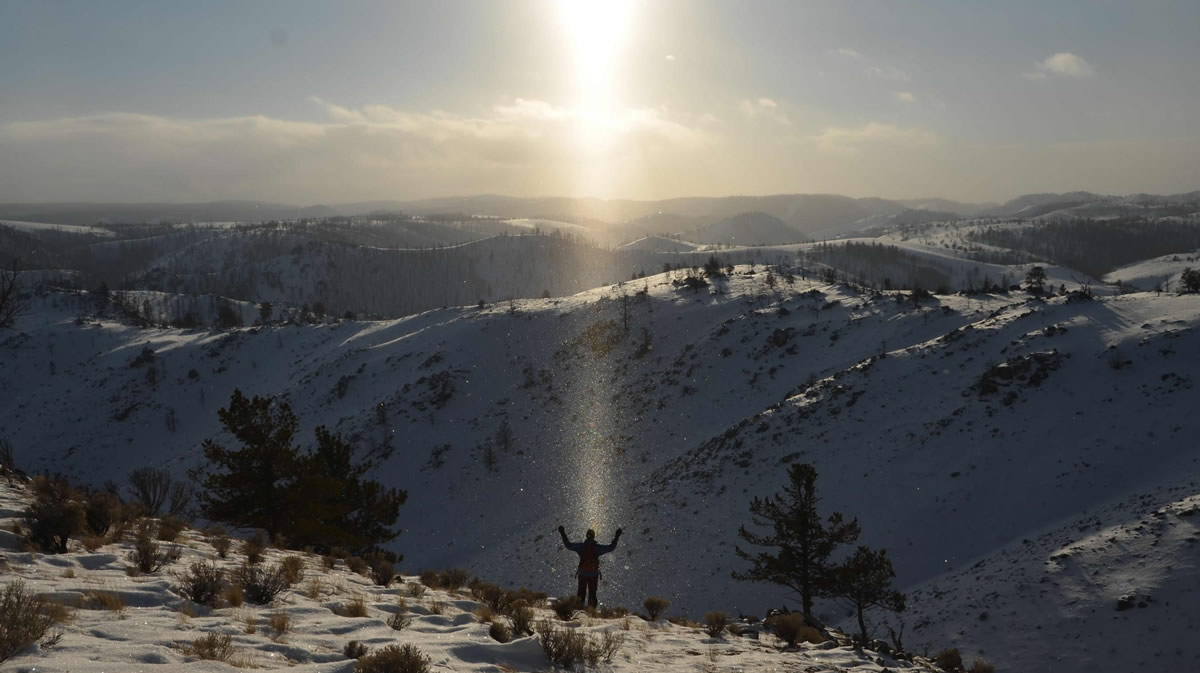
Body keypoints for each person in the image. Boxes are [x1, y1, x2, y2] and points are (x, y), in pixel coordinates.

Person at [558, 525, 622, 607]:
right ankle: (591, 612)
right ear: (594, 536)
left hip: (582, 573)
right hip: (593, 574)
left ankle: (579, 610)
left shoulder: (581, 546)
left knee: (581, 593)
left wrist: (562, 533)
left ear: (586, 536)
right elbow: (611, 548)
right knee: (592, 593)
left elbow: (568, 545)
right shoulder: (597, 547)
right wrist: (617, 536)